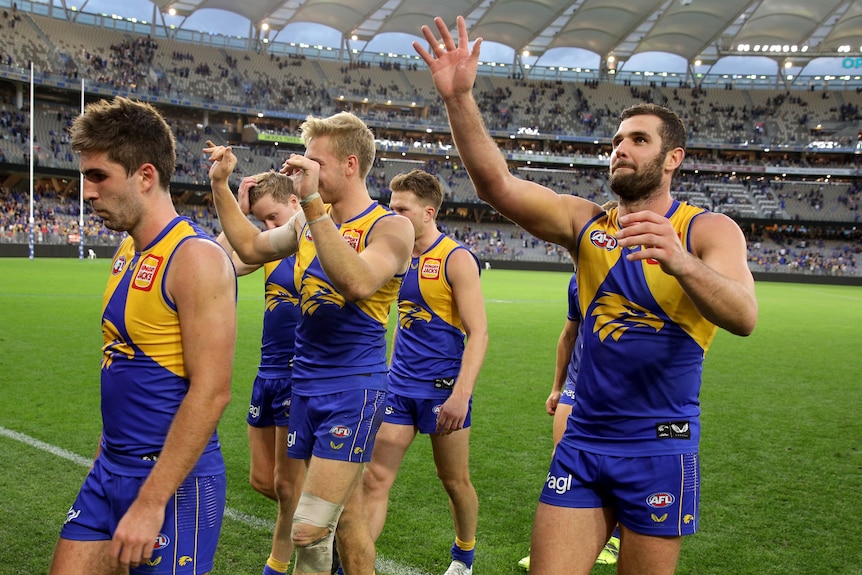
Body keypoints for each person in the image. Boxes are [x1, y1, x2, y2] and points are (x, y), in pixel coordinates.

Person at [415, 17, 757, 575]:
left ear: (673, 158)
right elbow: (496, 184)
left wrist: (680, 260)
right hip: (584, 440)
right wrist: (458, 100)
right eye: (617, 140)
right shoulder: (586, 223)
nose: (621, 149)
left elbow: (744, 316)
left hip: (659, 445)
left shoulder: (708, 230)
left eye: (638, 140)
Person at [205, 110, 414, 575]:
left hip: (353, 389)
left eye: (314, 161)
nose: (301, 169)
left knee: (309, 527)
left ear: (350, 165)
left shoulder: (391, 228)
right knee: (350, 521)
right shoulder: (305, 223)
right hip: (305, 387)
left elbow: (357, 281)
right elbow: (251, 248)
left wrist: (314, 204)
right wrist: (221, 187)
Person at [49, 96, 236, 575]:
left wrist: (152, 502)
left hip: (173, 486)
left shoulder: (194, 258)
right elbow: (123, 363)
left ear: (146, 176)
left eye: (99, 176)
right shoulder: (127, 251)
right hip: (111, 470)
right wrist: (101, 461)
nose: (86, 192)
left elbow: (212, 392)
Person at [362, 170, 488, 575]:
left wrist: (460, 394)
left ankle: (464, 556)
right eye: (389, 205)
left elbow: (479, 333)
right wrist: (389, 370)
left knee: (453, 481)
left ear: (428, 212)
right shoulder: (395, 255)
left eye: (401, 208)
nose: (390, 213)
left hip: (442, 391)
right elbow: (405, 320)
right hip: (398, 388)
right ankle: (355, 561)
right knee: (375, 479)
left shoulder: (456, 258)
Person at [213, 172, 306, 575]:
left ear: (297, 205)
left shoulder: (319, 248)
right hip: (265, 375)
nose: (268, 227)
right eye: (262, 220)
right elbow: (216, 263)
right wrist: (239, 210)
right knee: (261, 482)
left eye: (274, 217)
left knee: (286, 486)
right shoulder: (267, 250)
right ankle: (329, 523)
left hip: (298, 375)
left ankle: (277, 566)